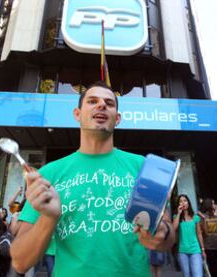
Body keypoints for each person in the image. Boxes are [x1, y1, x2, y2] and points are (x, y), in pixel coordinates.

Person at [11, 81, 175, 276]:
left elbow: (168, 236)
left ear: (118, 118)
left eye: (109, 103)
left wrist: (162, 233)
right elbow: (20, 262)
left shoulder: (142, 167)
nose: (101, 105)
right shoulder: (48, 174)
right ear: (77, 114)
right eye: (92, 101)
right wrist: (49, 218)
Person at [172, 194, 205, 277]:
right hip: (182, 251)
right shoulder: (176, 217)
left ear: (188, 203)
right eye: (180, 201)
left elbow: (199, 234)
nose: (183, 203)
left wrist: (203, 249)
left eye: (185, 200)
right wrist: (179, 213)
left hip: (195, 250)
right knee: (186, 275)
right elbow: (173, 229)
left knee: (198, 275)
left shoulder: (195, 217)